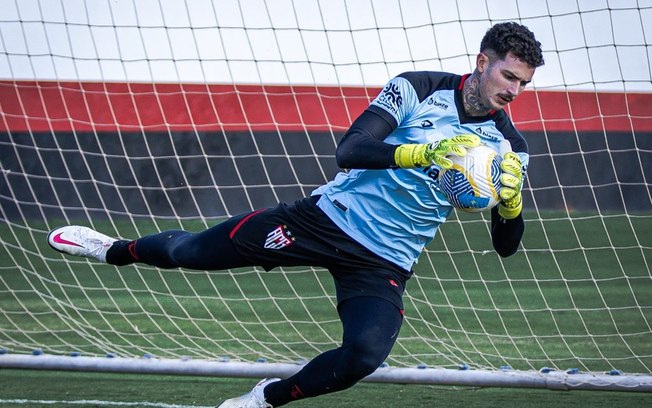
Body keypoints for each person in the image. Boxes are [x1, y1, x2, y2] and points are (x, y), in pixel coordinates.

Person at [47, 21, 544, 408]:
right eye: (508, 76)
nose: (513, 91)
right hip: (322, 220)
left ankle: (267, 397)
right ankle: (111, 249)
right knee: (190, 251)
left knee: (363, 357)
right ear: (482, 62)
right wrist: (419, 155)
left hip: (385, 260)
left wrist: (511, 203)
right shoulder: (419, 88)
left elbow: (506, 246)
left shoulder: (508, 147)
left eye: (523, 83)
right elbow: (350, 150)